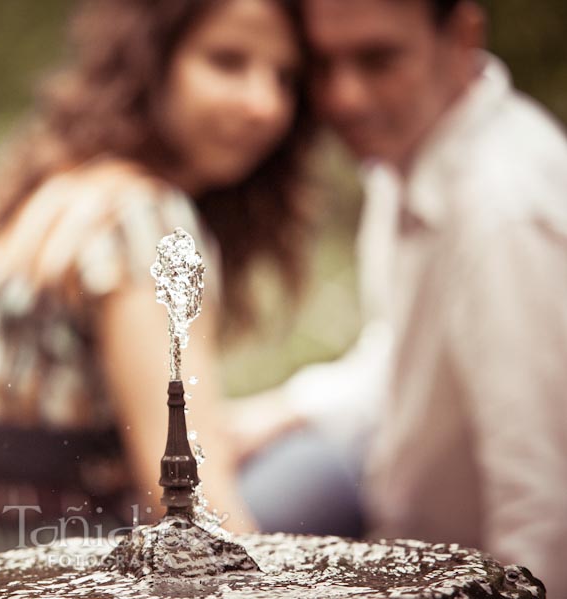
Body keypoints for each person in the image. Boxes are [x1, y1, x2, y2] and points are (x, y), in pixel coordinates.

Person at [0, 0, 315, 551]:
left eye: (285, 78)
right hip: (66, 561)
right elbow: (187, 504)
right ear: (149, 64)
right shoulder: (143, 217)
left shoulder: (43, 183)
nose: (264, 104)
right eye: (227, 61)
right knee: (324, 465)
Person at [242, 0, 567, 593]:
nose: (343, 97)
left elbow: (543, 507)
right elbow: (408, 357)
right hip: (387, 509)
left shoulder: (504, 215)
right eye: (322, 65)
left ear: (462, 36)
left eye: (378, 58)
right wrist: (275, 415)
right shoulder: (413, 158)